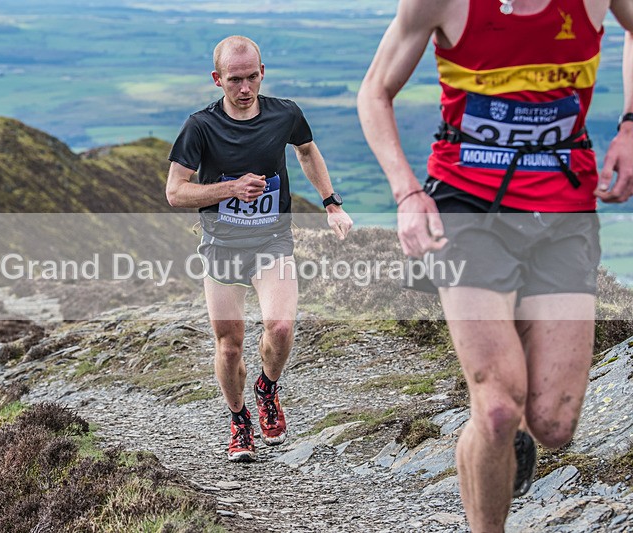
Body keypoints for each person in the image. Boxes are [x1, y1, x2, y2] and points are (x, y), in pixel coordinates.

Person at [358, 0, 633, 530]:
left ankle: (507, 434)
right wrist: (407, 193)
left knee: (553, 422)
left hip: (564, 212)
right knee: (499, 407)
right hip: (465, 209)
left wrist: (629, 125)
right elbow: (374, 91)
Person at [166, 35, 353, 462]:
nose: (245, 88)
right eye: (235, 80)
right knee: (229, 345)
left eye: (252, 77)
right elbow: (175, 193)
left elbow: (306, 150)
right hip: (222, 244)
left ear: (262, 72)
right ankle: (239, 420)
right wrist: (231, 188)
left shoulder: (285, 114)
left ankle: (267, 387)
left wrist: (331, 203)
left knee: (281, 328)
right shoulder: (200, 126)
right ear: (218, 79)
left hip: (272, 239)